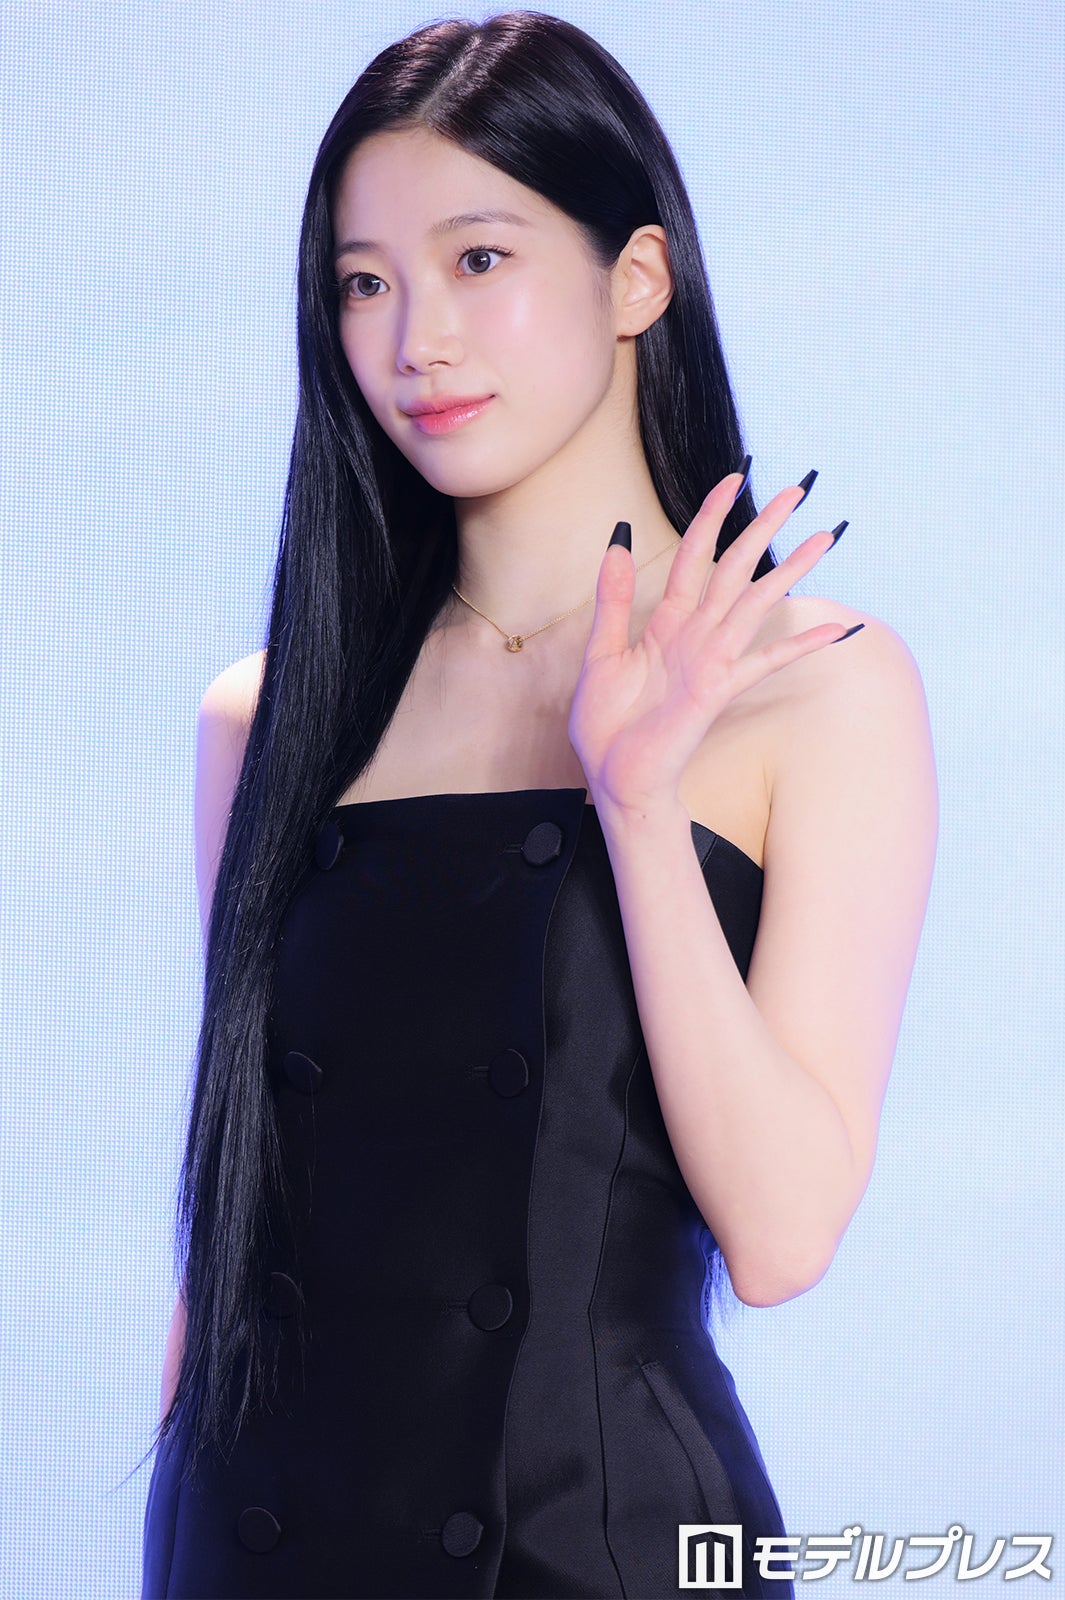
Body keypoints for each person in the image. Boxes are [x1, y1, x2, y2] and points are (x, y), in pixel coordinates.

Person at [138, 11, 938, 1598]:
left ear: (635, 278)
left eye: (479, 260)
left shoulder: (813, 687)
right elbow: (233, 1231)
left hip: (595, 1542)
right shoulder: (268, 716)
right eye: (364, 282)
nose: (415, 341)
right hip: (259, 1542)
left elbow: (780, 1238)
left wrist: (636, 804)